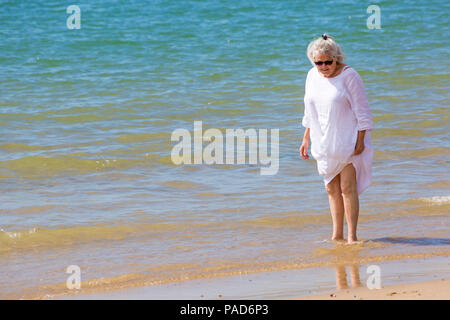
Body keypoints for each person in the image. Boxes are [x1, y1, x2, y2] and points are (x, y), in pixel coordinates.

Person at [299, 34, 374, 244]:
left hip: (346, 140)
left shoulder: (350, 76)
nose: (323, 66)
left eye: (327, 62)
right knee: (331, 189)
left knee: (347, 188)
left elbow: (363, 112)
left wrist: (361, 141)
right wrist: (306, 138)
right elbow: (309, 110)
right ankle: (336, 235)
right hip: (322, 141)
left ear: (336, 58)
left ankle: (352, 237)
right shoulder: (312, 76)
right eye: (318, 62)